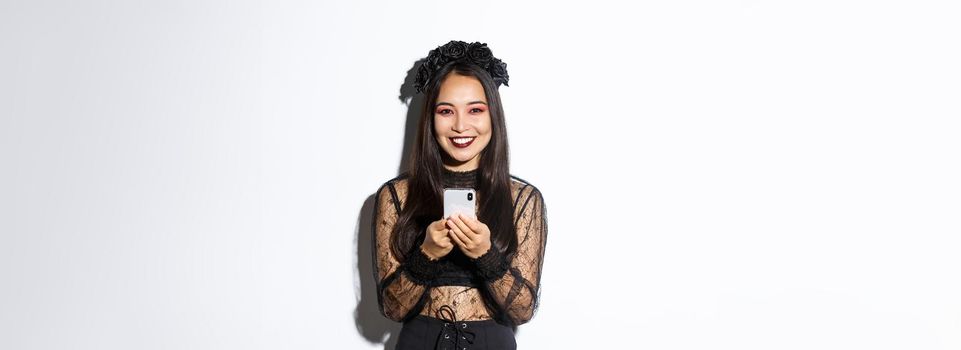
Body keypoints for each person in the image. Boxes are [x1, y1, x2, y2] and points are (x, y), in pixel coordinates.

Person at [371, 40, 548, 350]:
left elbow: (523, 310)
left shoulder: (523, 198)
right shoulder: (396, 195)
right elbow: (392, 308)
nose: (461, 126)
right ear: (431, 118)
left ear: (493, 115)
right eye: (446, 111)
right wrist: (426, 255)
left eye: (475, 110)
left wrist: (485, 254)